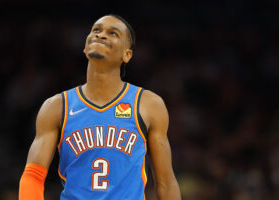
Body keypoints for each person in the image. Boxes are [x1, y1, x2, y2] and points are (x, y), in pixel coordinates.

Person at [19, 14, 181, 200]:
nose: (101, 35)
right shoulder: (57, 106)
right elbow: (33, 176)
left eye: (113, 33)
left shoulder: (148, 104)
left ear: (126, 55)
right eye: (96, 30)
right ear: (86, 46)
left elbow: (166, 183)